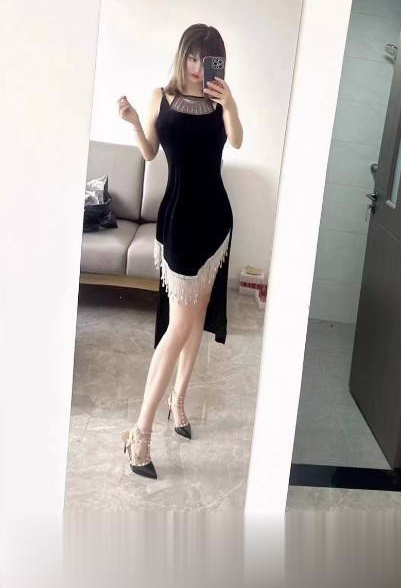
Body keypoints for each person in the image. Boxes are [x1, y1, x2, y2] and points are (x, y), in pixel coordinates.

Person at [117, 24, 243, 478]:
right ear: (182, 56)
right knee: (178, 327)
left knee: (195, 319)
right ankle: (140, 433)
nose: (196, 67)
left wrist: (231, 103)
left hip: (215, 221)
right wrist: (135, 122)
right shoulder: (161, 97)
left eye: (206, 59)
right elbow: (150, 153)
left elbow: (237, 140)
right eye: (192, 56)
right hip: (179, 223)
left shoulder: (219, 102)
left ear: (216, 63)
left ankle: (179, 401)